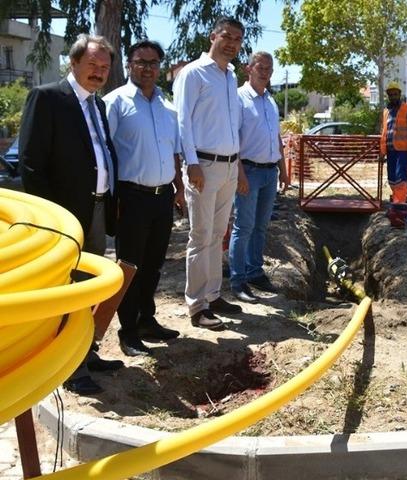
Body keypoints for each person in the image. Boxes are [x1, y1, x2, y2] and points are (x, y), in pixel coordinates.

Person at [19, 33, 123, 395]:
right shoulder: (47, 98)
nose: (99, 72)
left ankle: (86, 352)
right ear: (74, 63)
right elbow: (31, 165)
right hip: (65, 219)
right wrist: (52, 223)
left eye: (105, 67)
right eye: (92, 65)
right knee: (68, 290)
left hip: (96, 210)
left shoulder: (98, 105)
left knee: (88, 288)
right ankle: (69, 367)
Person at [104, 39, 182, 357]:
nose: (147, 68)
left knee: (153, 265)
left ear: (159, 68)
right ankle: (129, 330)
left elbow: (173, 153)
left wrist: (178, 190)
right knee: (130, 266)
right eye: (141, 62)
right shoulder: (115, 102)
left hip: (163, 197)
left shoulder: (168, 108)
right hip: (131, 198)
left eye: (153, 63)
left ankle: (148, 320)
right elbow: (105, 154)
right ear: (129, 65)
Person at [174, 17, 246, 330]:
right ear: (213, 36)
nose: (231, 44)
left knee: (218, 235)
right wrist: (191, 163)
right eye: (227, 37)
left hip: (229, 166)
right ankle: (197, 306)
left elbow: (232, 127)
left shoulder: (230, 76)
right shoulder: (193, 73)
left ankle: (214, 295)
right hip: (203, 166)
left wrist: (238, 166)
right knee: (201, 236)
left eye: (237, 39)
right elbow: (182, 122)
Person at [228, 51, 288, 303]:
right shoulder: (239, 98)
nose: (265, 71)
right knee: (243, 227)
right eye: (260, 67)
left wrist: (283, 169)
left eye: (269, 68)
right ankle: (238, 279)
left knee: (261, 226)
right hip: (249, 172)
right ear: (248, 68)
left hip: (269, 172)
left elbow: (276, 137)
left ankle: (255, 271)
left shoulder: (270, 101)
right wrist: (239, 173)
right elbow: (232, 140)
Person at [379, 81, 407, 204]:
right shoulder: (386, 111)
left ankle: (400, 204)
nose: (393, 97)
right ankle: (396, 199)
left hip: (403, 150)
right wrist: (382, 151)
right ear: (388, 96)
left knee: (401, 178)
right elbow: (384, 132)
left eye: (395, 94)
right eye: (391, 94)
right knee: (392, 179)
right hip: (390, 150)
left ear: (399, 94)